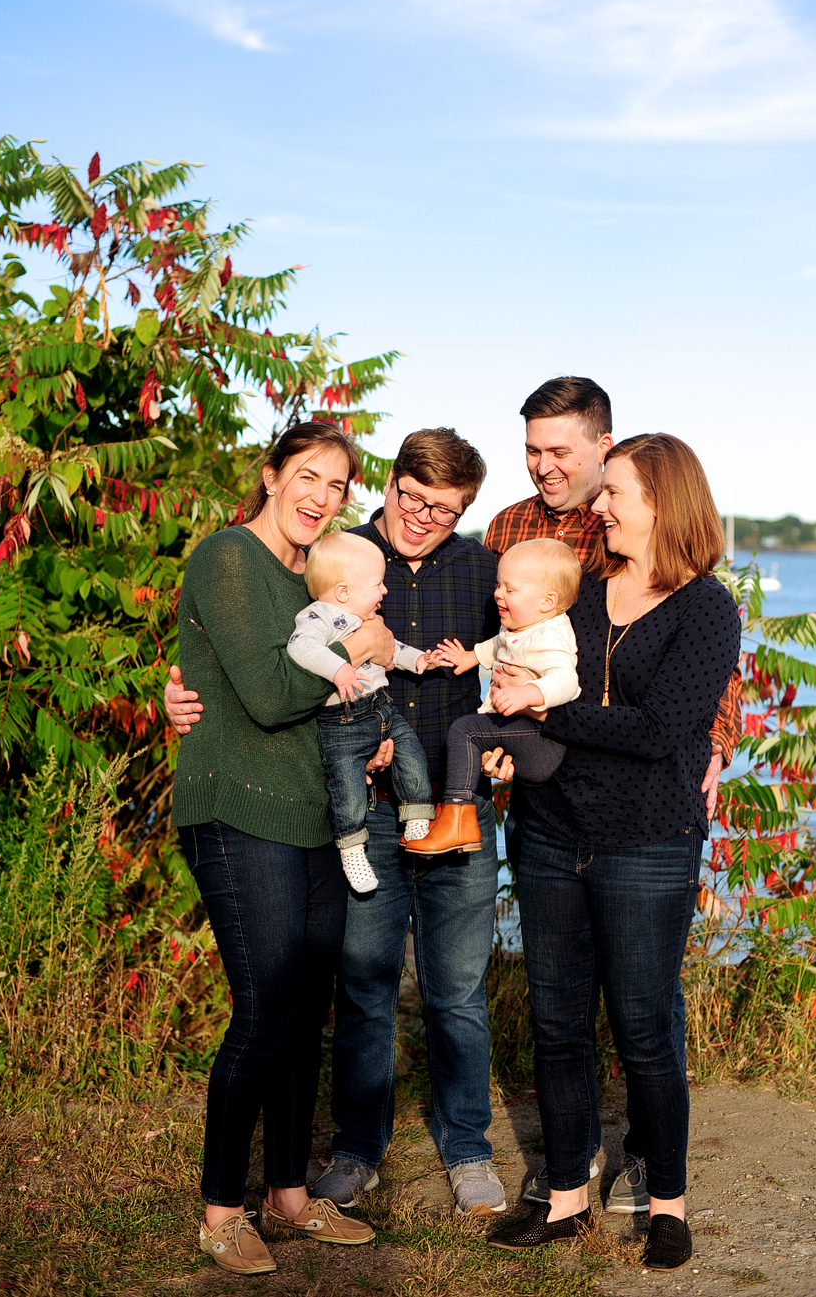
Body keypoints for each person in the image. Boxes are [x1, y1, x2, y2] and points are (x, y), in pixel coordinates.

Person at [166, 427, 509, 1218]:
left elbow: (536, 638)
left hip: (393, 809)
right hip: (316, 812)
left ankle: (408, 1162)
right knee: (320, 996)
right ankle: (292, 1177)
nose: (422, 517)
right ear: (388, 485)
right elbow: (262, 672)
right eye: (411, 497)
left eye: (444, 509)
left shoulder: (453, 571)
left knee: (408, 994)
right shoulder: (300, 557)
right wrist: (179, 697)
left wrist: (514, 742)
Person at [484, 376, 741, 1214]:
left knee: (642, 1029)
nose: (601, 507)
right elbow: (520, 669)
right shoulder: (583, 592)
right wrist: (511, 732)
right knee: (557, 1024)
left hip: (647, 839)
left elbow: (665, 728)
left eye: (617, 494)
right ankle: (563, 1193)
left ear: (660, 502)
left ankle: (663, 1196)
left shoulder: (706, 605)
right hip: (552, 829)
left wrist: (556, 710)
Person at [171, 422, 379, 1276]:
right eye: (306, 476)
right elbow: (261, 694)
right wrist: (356, 650)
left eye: (335, 486)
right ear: (270, 476)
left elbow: (323, 702)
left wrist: (366, 724)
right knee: (263, 1010)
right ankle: (222, 1211)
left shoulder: (316, 578)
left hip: (312, 816)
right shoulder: (227, 556)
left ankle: (290, 1196)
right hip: (236, 808)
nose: (319, 496)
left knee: (304, 1012)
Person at [286, 530, 445, 893]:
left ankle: (417, 814)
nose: (384, 591)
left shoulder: (368, 618)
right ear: (343, 591)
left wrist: (417, 659)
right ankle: (352, 847)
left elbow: (391, 648)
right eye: (377, 584)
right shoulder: (319, 616)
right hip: (341, 723)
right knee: (348, 788)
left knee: (411, 754)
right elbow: (300, 648)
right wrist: (339, 666)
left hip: (382, 709)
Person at [408, 538, 581, 856]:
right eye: (499, 585)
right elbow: (496, 646)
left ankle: (459, 817)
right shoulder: (521, 626)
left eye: (509, 589)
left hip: (542, 742)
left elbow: (566, 681)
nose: (498, 594)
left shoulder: (551, 635)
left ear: (547, 601)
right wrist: (470, 658)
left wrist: (526, 693)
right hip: (522, 736)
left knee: (464, 730)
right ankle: (457, 818)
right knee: (469, 733)